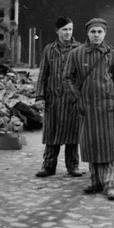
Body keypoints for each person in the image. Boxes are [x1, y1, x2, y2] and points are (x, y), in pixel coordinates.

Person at [63, 18, 114, 200]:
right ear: (87, 33)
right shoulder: (76, 54)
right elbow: (67, 78)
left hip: (109, 108)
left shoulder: (112, 54)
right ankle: (96, 181)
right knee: (92, 144)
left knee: (109, 145)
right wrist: (77, 99)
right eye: (93, 32)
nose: (96, 35)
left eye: (100, 32)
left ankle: (111, 183)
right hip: (88, 108)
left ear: (105, 33)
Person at [35, 16, 83, 177]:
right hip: (53, 99)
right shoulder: (49, 49)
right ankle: (48, 166)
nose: (68, 33)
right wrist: (40, 97)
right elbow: (42, 74)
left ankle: (73, 166)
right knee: (51, 134)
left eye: (70, 29)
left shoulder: (79, 49)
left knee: (72, 134)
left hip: (71, 100)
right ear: (57, 31)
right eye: (64, 30)